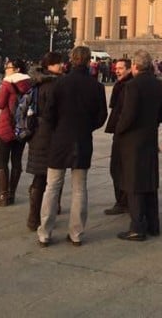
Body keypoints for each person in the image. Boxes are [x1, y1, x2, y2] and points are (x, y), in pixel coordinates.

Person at [37, 46, 107, 246]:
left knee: (52, 187)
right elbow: (101, 116)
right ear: (88, 62)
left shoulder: (60, 84)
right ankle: (76, 233)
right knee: (79, 189)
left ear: (72, 60)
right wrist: (87, 127)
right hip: (83, 140)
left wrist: (59, 127)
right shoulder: (97, 86)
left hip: (60, 139)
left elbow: (48, 114)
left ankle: (45, 232)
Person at [114, 50, 162, 241]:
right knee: (150, 182)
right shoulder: (158, 85)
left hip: (133, 141)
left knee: (134, 183)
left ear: (135, 66)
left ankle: (137, 226)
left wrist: (118, 130)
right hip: (150, 138)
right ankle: (153, 224)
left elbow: (128, 115)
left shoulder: (132, 86)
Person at [24, 52, 65, 231]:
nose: (62, 65)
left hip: (36, 134)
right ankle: (41, 214)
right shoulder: (54, 85)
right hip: (51, 134)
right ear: (51, 66)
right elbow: (54, 112)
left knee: (39, 177)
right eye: (59, 63)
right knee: (51, 177)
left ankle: (34, 217)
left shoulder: (37, 83)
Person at [0, 59, 32, 206]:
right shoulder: (29, 83)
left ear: (16, 69)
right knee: (16, 161)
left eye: (8, 67)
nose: (6, 69)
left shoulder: (8, 83)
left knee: (3, 161)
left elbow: (0, 104)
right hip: (21, 128)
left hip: (7, 126)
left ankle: (3, 195)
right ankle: (12, 194)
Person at [103, 58, 133, 215]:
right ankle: (123, 200)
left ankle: (123, 201)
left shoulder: (128, 86)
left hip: (123, 132)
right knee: (117, 168)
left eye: (120, 68)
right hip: (119, 131)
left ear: (129, 69)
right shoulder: (120, 85)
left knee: (118, 168)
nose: (117, 70)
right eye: (116, 68)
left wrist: (120, 128)